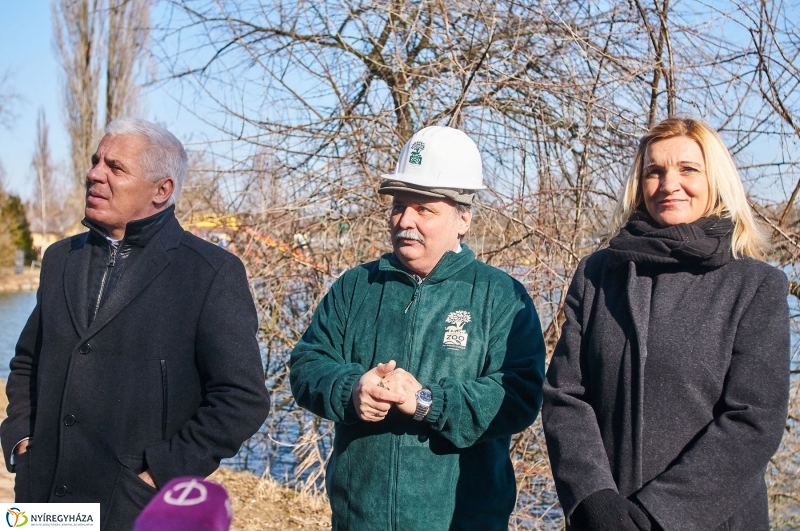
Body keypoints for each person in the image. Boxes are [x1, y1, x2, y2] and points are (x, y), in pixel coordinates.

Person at [1, 117, 271, 530]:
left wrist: (159, 475)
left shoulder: (209, 272)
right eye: (96, 161)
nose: (94, 174)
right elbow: (27, 361)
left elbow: (241, 398)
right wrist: (22, 441)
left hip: (135, 509)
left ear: (162, 190)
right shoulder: (60, 259)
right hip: (41, 500)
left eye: (116, 167)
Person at [290, 125, 546, 530]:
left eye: (424, 208)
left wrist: (427, 402)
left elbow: (519, 395)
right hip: (359, 520)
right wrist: (351, 389)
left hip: (462, 521)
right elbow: (307, 365)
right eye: (398, 205)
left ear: (463, 218)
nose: (405, 220)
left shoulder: (500, 296)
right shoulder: (357, 286)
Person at [542, 117, 790, 531]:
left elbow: (753, 420)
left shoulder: (755, 285)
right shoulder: (598, 275)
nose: (668, 183)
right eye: (653, 171)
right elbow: (565, 394)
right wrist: (594, 498)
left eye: (687, 169)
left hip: (711, 521)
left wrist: (656, 515)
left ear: (716, 180)